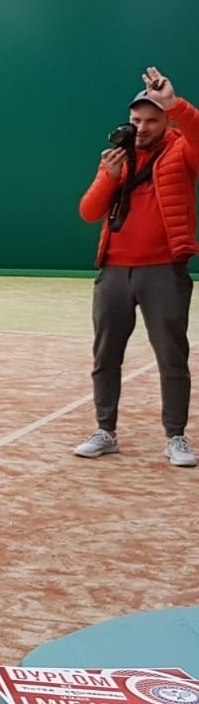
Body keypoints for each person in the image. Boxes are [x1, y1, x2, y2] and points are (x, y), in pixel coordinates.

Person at [74, 67, 199, 466]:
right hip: (113, 271)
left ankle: (176, 437)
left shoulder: (182, 150)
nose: (142, 128)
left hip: (164, 270)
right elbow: (89, 212)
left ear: (165, 120)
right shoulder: (117, 157)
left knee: (171, 356)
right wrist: (108, 179)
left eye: (151, 120)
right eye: (136, 120)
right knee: (106, 355)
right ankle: (105, 430)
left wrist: (174, 103)